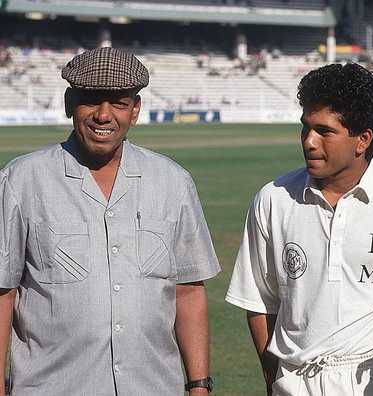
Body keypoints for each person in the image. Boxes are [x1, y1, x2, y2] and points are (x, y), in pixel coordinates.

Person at [225, 63, 373, 395]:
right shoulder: (273, 200)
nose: (309, 141)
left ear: (362, 140)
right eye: (305, 128)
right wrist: (273, 379)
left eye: (324, 131)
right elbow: (259, 301)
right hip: (292, 383)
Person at [0, 47, 220, 395]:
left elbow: (189, 292)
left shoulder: (173, 182)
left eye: (118, 102)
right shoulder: (22, 181)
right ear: (70, 102)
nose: (104, 115)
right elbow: (3, 293)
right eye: (91, 100)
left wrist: (198, 386)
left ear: (135, 111)